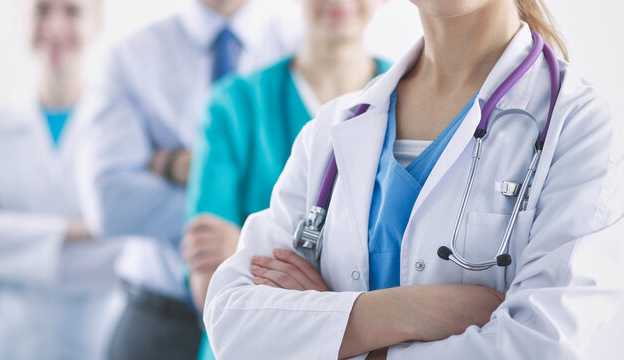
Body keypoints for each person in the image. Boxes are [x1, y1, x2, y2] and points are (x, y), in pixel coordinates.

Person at [204, 0, 624, 359]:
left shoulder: (578, 125)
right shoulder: (333, 128)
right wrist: (401, 312)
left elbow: (541, 345)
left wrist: (337, 334)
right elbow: (233, 322)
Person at [75, 0, 301, 358]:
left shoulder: (302, 45)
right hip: (158, 319)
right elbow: (110, 204)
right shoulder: (131, 57)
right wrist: (247, 210)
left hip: (267, 318)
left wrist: (175, 166)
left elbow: (322, 196)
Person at [184, 0, 390, 358]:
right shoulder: (234, 104)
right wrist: (350, 303)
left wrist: (247, 252)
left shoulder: (413, 101)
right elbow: (210, 288)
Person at [0, 0, 124, 359]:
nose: (55, 27)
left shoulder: (119, 131)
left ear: (97, 23)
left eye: (72, 11)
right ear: (21, 20)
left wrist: (0, 229)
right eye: (42, 10)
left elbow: (122, 254)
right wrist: (82, 230)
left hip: (90, 343)